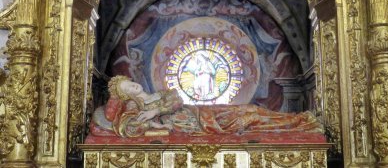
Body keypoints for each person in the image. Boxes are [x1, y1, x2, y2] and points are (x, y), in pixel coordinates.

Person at [90, 76, 323, 137]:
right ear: (125, 95)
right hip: (199, 126)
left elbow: (176, 100)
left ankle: (298, 120)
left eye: (131, 83)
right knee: (250, 117)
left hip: (200, 113)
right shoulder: (134, 105)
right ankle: (299, 123)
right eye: (128, 88)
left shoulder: (160, 95)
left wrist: (156, 110)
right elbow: (127, 127)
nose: (134, 86)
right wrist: (150, 119)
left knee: (252, 109)